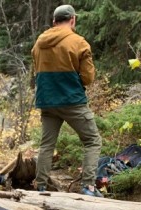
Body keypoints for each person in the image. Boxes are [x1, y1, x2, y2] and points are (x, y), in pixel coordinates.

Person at [32, 4, 103, 197]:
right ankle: (88, 187)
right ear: (73, 20)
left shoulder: (39, 43)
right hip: (72, 101)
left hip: (47, 101)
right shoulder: (79, 43)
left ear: (54, 22)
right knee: (92, 141)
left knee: (47, 145)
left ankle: (40, 186)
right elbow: (88, 78)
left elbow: (36, 68)